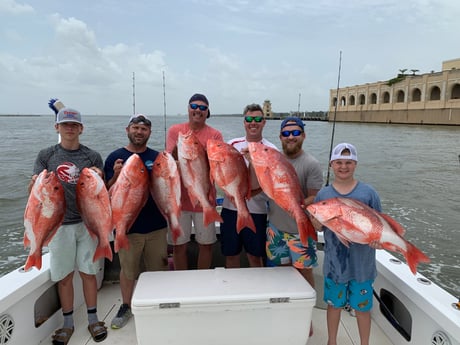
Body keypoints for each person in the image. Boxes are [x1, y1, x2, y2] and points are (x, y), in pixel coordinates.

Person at [29, 107, 107, 344]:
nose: (69, 128)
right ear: (57, 127)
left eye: (74, 125)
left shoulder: (92, 156)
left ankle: (93, 320)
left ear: (81, 128)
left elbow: (102, 194)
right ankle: (68, 323)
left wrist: (101, 176)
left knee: (89, 274)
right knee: (64, 277)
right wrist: (34, 184)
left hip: (87, 224)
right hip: (59, 226)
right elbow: (34, 196)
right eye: (65, 124)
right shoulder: (46, 155)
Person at [312, 143, 382, 345]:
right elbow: (321, 228)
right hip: (335, 266)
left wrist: (378, 241)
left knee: (362, 308)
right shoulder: (323, 195)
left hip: (362, 266)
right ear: (332, 164)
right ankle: (331, 341)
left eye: (348, 162)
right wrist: (316, 224)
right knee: (334, 306)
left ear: (356, 164)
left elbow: (378, 223)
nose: (343, 167)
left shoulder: (369, 193)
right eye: (339, 162)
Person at [104, 114, 169, 329]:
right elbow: (104, 192)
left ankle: (158, 303)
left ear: (149, 133)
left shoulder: (157, 156)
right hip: (128, 226)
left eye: (144, 129)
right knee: (127, 270)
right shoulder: (115, 157)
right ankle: (126, 305)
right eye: (136, 128)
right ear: (127, 130)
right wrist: (115, 177)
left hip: (157, 225)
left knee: (158, 268)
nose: (139, 132)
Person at [265, 117, 323, 337]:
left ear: (303, 135)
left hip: (300, 231)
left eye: (295, 132)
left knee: (303, 274)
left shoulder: (311, 164)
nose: (291, 137)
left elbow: (316, 198)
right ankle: (284, 314)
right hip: (275, 230)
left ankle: (306, 318)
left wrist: (295, 203)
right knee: (280, 275)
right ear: (280, 137)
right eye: (286, 133)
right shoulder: (273, 160)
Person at [166, 93, 223, 270]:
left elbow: (218, 165)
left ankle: (202, 280)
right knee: (179, 245)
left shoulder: (215, 134)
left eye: (202, 108)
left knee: (206, 245)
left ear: (207, 112)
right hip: (179, 200)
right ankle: (182, 281)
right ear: (188, 108)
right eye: (194, 106)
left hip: (205, 197)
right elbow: (169, 161)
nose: (198, 110)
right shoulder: (175, 131)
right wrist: (180, 148)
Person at [220, 103, 277, 268]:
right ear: (244, 121)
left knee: (255, 256)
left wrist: (250, 192)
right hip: (230, 210)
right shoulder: (231, 145)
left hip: (257, 211)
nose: (253, 122)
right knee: (231, 255)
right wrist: (230, 192)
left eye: (258, 119)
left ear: (264, 122)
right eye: (249, 119)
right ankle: (232, 291)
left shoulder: (271, 149)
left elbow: (272, 184)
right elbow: (220, 175)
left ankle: (258, 290)